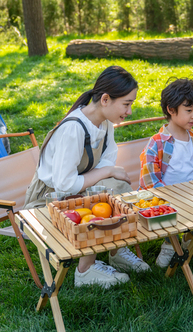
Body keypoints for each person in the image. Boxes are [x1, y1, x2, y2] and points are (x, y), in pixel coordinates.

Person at [24, 66, 150, 288]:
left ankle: (116, 249)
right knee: (107, 189)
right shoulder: (74, 128)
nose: (129, 111)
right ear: (105, 99)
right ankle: (85, 271)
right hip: (48, 199)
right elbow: (65, 184)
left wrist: (107, 174)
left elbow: (108, 160)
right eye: (127, 104)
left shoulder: (105, 123)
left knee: (116, 185)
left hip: (74, 190)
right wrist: (106, 174)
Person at [139, 78, 193, 268]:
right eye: (189, 111)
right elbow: (149, 181)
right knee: (170, 214)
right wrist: (169, 199)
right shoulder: (157, 143)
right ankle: (169, 244)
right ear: (171, 110)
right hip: (165, 200)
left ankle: (191, 241)